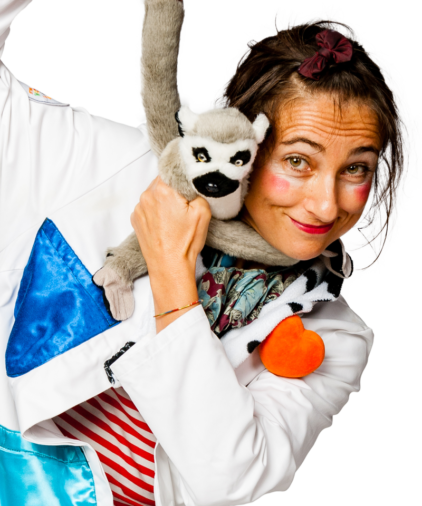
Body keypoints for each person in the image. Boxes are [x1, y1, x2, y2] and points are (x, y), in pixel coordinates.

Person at [0, 1, 405, 506]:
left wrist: (171, 272)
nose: (326, 204)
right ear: (245, 143)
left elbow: (231, 482)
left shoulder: (332, 334)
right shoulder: (120, 169)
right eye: (298, 161)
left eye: (356, 169)